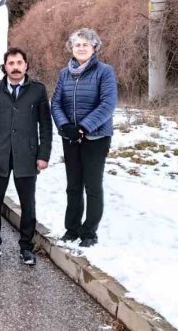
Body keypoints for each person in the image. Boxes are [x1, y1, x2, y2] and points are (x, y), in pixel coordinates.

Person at [0, 47, 51, 265]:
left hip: (27, 156)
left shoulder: (37, 91)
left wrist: (43, 154)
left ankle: (26, 247)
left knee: (28, 204)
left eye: (19, 63)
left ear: (26, 65)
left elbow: (46, 126)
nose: (16, 67)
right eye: (11, 63)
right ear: (5, 67)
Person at [50, 28, 118, 248]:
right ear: (72, 48)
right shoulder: (64, 73)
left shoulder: (104, 71)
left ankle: (89, 232)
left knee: (92, 185)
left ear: (94, 47)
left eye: (85, 45)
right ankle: (72, 228)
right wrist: (65, 126)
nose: (81, 48)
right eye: (77, 44)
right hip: (70, 136)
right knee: (73, 185)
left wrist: (84, 127)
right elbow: (56, 102)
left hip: (96, 137)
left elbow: (108, 104)